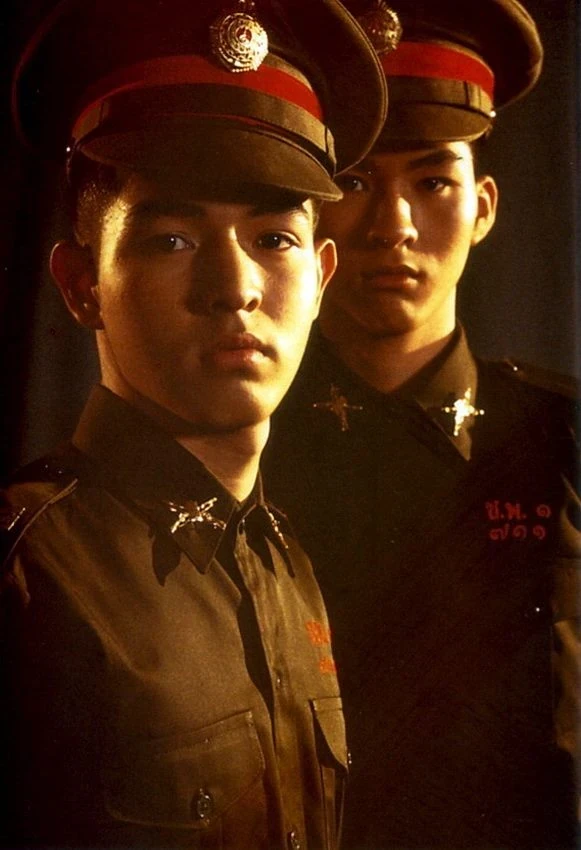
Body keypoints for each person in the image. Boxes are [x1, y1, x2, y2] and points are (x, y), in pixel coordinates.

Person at [0, 1, 387, 847]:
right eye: (172, 239)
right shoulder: (26, 578)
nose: (234, 287)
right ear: (81, 284)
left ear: (320, 279)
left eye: (274, 240)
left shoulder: (285, 561)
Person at [264, 1, 581, 847]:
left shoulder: (562, 440)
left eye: (433, 182)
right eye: (356, 182)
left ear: (483, 207)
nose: (392, 226)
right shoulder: (238, 447)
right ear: (308, 211)